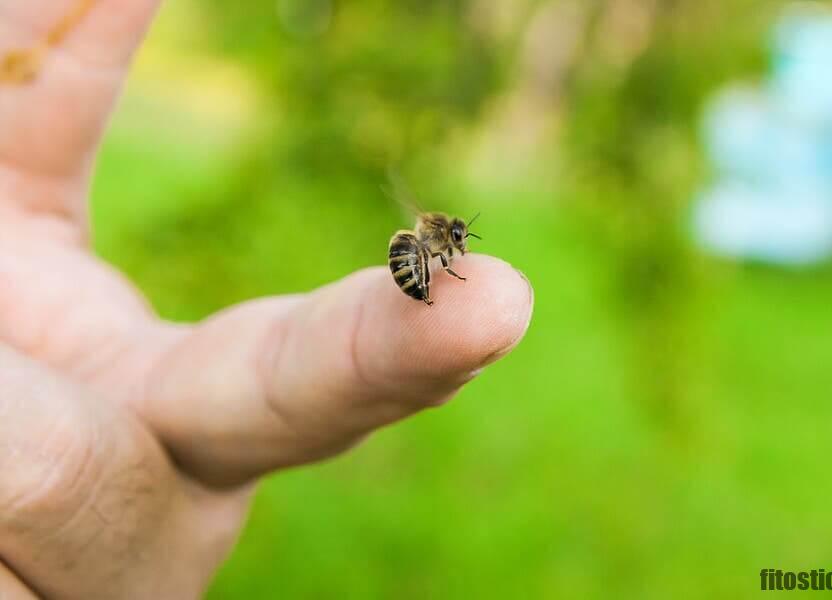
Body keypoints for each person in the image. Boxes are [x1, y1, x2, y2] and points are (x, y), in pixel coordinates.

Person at [0, 1, 533, 597]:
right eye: (456, 241)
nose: (459, 245)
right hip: (408, 266)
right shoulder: (430, 241)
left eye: (456, 243)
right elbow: (428, 249)